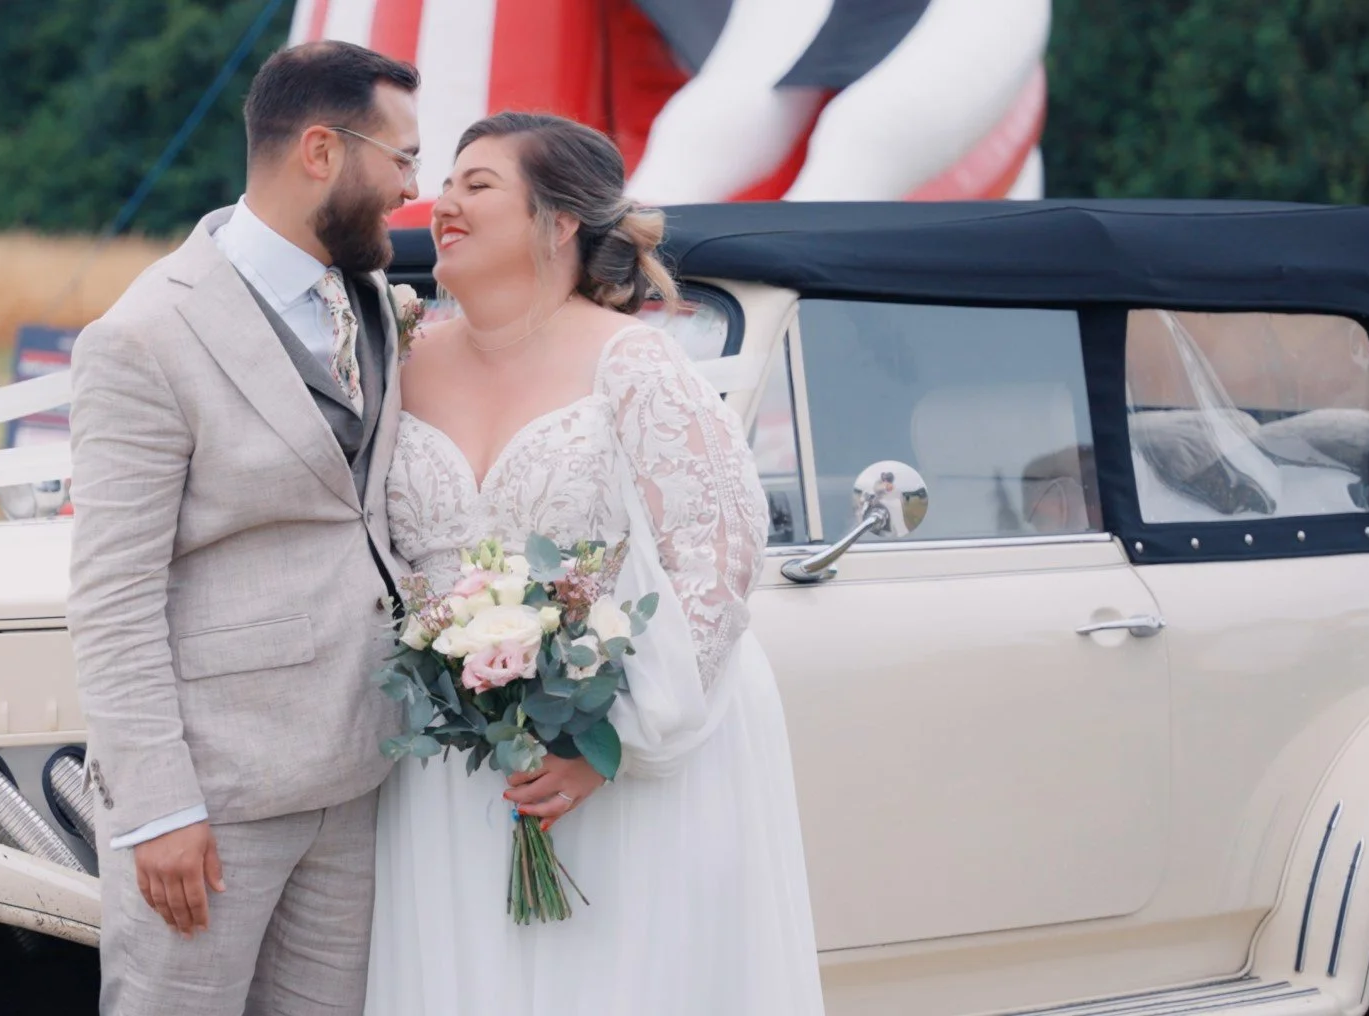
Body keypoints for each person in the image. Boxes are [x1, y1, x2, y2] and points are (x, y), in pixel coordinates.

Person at [368, 111, 827, 1014]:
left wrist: (607, 744)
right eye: (446, 182)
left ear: (560, 220)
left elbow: (718, 554)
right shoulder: (401, 360)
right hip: (447, 767)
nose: (444, 204)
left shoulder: (636, 365)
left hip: (611, 760)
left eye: (477, 184)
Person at [64, 40, 421, 1016]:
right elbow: (112, 594)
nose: (409, 188)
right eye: (401, 160)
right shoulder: (142, 336)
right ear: (321, 152)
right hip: (213, 789)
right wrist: (161, 807)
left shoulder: (371, 298)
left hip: (356, 770)